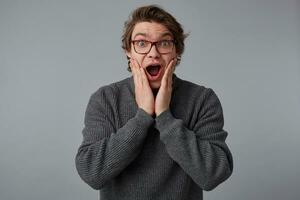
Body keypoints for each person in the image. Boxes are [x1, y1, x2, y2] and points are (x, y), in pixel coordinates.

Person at [75, 5, 233, 200]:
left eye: (164, 43)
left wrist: (164, 116)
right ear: (128, 51)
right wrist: (142, 117)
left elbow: (213, 175)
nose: (153, 53)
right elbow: (91, 173)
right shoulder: (106, 99)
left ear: (177, 51)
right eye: (141, 43)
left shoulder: (202, 99)